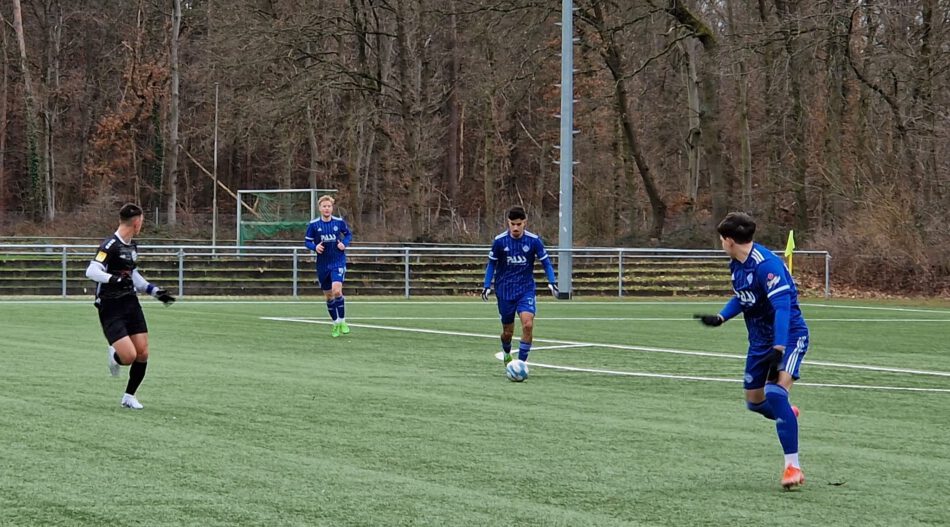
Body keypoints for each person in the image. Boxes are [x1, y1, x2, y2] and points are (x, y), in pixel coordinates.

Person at [694, 212, 809, 490]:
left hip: (789, 336)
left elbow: (782, 309)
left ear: (729, 240)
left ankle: (792, 467)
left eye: (721, 240)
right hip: (759, 342)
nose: (721, 244)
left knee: (775, 393)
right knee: (755, 402)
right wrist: (721, 317)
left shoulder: (767, 266)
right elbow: (743, 297)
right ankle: (786, 413)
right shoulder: (736, 264)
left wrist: (779, 348)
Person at [85, 203, 176, 409]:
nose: (142, 224)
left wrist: (155, 291)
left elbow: (132, 275)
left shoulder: (132, 246)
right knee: (128, 357)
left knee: (143, 352)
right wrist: (113, 279)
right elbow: (92, 271)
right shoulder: (110, 245)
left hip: (131, 303)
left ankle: (129, 396)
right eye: (142, 221)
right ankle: (114, 355)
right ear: (136, 222)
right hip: (110, 305)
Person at [482, 205, 559, 366]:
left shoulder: (534, 241)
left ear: (525, 222)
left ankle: (521, 364)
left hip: (525, 289)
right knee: (507, 332)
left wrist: (552, 282)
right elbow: (491, 264)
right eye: (512, 224)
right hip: (504, 291)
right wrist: (486, 285)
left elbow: (546, 262)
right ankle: (506, 352)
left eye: (519, 224)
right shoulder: (499, 241)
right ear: (508, 223)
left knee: (528, 324)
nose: (515, 228)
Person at [304, 195, 353, 338]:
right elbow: (307, 242)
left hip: (338, 261)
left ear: (332, 208)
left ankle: (343, 321)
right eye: (324, 206)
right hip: (323, 264)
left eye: (329, 206)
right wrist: (315, 247)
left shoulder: (339, 222)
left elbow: (348, 235)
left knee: (337, 291)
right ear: (320, 208)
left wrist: (344, 244)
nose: (327, 209)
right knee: (329, 296)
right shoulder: (313, 225)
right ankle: (335, 323)